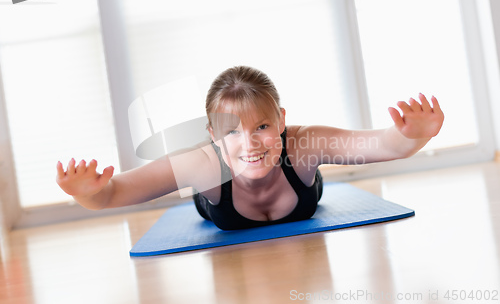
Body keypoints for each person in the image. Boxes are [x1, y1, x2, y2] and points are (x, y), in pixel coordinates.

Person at [56, 66, 444, 230]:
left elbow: (384, 145)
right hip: (217, 197)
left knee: (300, 166)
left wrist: (415, 133)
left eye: (261, 126)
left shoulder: (303, 143)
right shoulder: (202, 164)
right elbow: (113, 195)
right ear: (212, 134)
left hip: (299, 179)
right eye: (233, 132)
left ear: (281, 121)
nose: (251, 143)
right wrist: (89, 192)